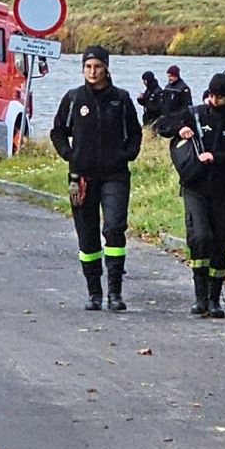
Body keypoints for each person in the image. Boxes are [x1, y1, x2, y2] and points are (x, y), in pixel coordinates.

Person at [50, 45, 142, 312]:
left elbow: (135, 133)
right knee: (87, 233)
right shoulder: (73, 99)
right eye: (88, 67)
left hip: (115, 175)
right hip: (81, 177)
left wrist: (128, 154)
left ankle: (115, 292)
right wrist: (70, 154)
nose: (92, 72)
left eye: (97, 67)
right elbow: (58, 131)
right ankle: (94, 293)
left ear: (106, 68)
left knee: (113, 228)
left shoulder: (121, 99)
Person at [168, 73, 225, 318]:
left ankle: (214, 299)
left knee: (219, 243)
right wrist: (180, 128)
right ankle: (200, 297)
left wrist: (216, 158)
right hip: (194, 187)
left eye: (219, 97)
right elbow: (164, 125)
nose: (213, 101)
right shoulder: (196, 114)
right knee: (200, 237)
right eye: (211, 96)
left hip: (223, 190)